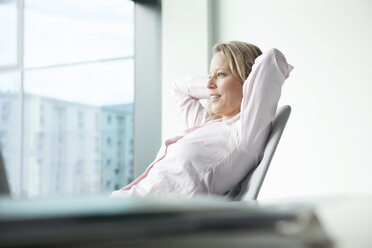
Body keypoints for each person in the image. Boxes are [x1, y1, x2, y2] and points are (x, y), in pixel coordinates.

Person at [111, 41, 293, 198]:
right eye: (209, 75)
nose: (208, 83)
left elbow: (272, 59)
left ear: (248, 81)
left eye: (221, 74)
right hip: (124, 202)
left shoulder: (243, 136)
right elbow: (179, 89)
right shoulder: (207, 126)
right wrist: (215, 85)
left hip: (142, 221)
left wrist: (235, 87)